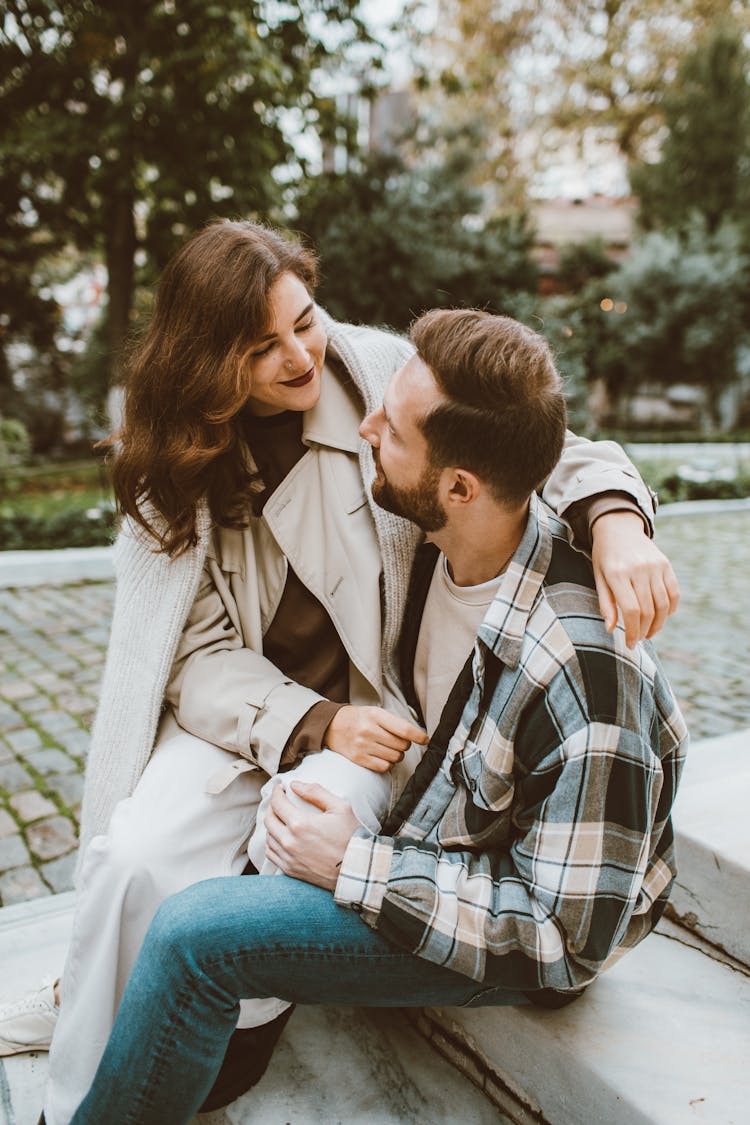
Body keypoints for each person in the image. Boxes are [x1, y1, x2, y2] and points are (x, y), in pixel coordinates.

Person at [0, 222, 677, 1123]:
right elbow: (190, 657)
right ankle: (84, 1051)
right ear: (207, 365)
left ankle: (226, 1045)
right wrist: (305, 721)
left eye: (305, 320)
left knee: (241, 890)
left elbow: (533, 438)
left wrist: (618, 516)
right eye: (260, 347)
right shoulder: (178, 456)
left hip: (375, 721)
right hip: (248, 709)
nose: (300, 356)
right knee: (133, 854)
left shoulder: (377, 374)